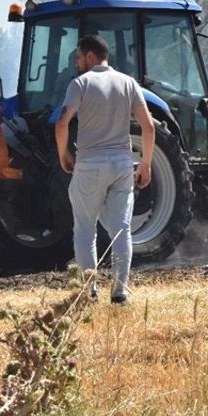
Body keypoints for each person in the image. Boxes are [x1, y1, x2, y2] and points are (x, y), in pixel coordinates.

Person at [55, 35, 155, 304]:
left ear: (90, 56)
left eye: (78, 57)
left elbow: (62, 123)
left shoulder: (80, 84)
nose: (76, 62)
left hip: (89, 164)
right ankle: (120, 292)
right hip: (122, 164)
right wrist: (145, 163)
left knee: (86, 230)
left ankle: (89, 291)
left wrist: (63, 153)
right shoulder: (128, 83)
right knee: (122, 229)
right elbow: (148, 126)